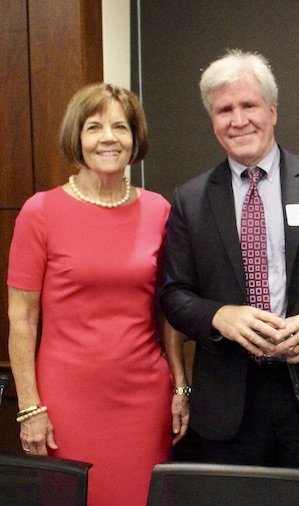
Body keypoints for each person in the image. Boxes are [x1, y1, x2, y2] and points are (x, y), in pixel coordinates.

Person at [160, 49, 299, 469]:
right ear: (212, 120)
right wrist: (219, 316)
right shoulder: (190, 200)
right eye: (224, 110)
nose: (238, 120)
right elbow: (174, 294)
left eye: (249, 105)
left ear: (272, 111)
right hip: (230, 403)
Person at [7, 83, 189, 506]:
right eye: (94, 127)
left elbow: (169, 311)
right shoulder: (41, 212)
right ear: (77, 138)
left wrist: (181, 386)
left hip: (144, 401)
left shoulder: (160, 211)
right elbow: (22, 318)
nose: (109, 137)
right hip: (66, 401)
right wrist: (31, 406)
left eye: (120, 127)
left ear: (134, 139)